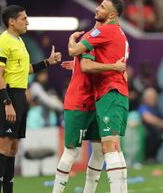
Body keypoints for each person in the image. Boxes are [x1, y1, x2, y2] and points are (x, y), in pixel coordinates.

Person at [0, 5, 61, 193]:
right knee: (3, 146)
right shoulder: (2, 42)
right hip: (8, 96)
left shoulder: (19, 41)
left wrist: (48, 62)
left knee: (13, 148)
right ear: (11, 21)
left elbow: (25, 69)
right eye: (23, 18)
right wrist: (7, 103)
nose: (27, 21)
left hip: (20, 96)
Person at [53, 20, 126, 193]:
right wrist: (114, 67)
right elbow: (85, 66)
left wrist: (75, 64)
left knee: (100, 150)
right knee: (71, 151)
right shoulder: (91, 39)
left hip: (96, 101)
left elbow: (84, 64)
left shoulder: (101, 43)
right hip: (78, 101)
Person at [68, 0, 129, 193]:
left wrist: (71, 39)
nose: (97, 8)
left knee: (109, 148)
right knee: (114, 147)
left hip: (110, 92)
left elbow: (74, 50)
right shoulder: (120, 34)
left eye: (102, 7)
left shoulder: (104, 31)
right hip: (117, 93)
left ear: (112, 15)